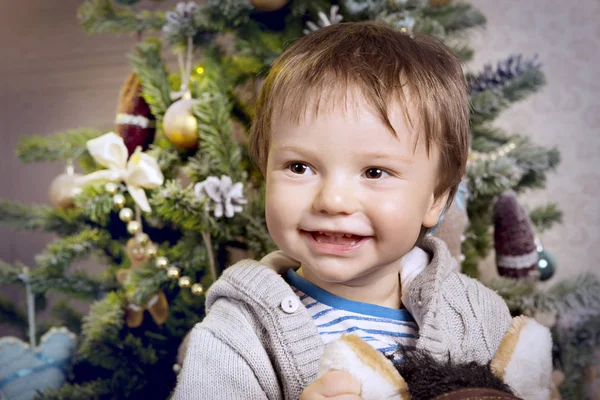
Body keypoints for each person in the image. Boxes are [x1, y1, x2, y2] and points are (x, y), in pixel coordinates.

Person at [172, 22, 516, 400]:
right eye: (299, 167)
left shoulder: (481, 317)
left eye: (375, 172)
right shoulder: (237, 335)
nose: (332, 201)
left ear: (436, 198)